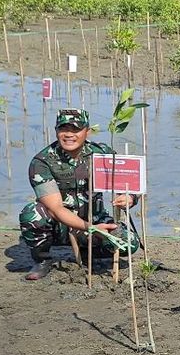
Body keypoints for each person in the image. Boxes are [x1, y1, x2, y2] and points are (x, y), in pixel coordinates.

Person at [19, 108, 140, 281]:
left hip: (96, 221)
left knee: (129, 244)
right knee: (32, 213)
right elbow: (55, 209)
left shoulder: (102, 153)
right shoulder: (42, 162)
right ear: (56, 131)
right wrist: (90, 228)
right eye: (63, 129)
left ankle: (86, 250)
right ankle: (43, 260)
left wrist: (130, 198)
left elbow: (132, 182)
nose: (69, 134)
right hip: (60, 226)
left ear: (87, 132)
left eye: (75, 129)